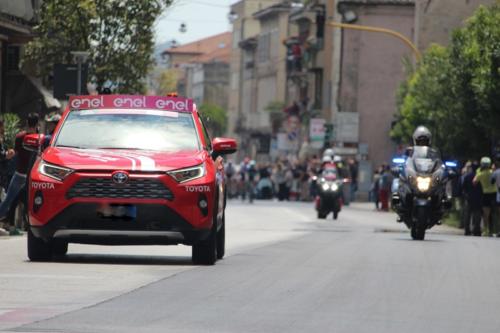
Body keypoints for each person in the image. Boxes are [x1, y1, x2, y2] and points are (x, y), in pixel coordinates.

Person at [0, 113, 39, 235]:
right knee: (30, 202)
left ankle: (10, 223)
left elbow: (15, 153)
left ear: (27, 122)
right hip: (32, 175)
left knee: (9, 200)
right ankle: (33, 226)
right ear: (37, 124)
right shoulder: (38, 138)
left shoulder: (20, 136)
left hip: (19, 173)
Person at [473, 157, 496, 236]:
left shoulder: (480, 174)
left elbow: (474, 182)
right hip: (495, 194)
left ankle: (486, 230)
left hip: (486, 194)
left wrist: (478, 172)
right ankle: (492, 230)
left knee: (486, 214)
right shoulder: (492, 172)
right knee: (494, 213)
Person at [462, 161, 482, 236]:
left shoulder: (467, 176)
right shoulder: (480, 176)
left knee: (467, 215)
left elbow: (463, 188)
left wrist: (465, 195)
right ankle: (476, 230)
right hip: (478, 198)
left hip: (469, 198)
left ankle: (467, 230)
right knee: (477, 215)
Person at [490, 159, 500, 235]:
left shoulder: (495, 173)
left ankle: (497, 230)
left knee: (497, 214)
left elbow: (492, 182)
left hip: (498, 194)